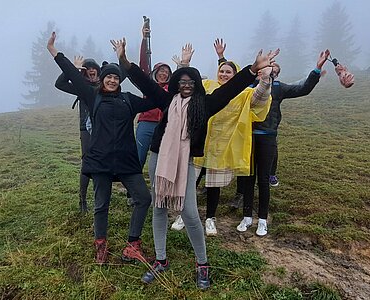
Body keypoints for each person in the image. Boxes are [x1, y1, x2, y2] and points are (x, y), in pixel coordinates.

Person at [112, 37, 277, 289]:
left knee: (189, 212)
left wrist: (253, 70)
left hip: (186, 161)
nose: (186, 85)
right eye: (182, 82)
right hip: (159, 158)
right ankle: (160, 259)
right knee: (159, 207)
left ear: (197, 85)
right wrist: (124, 61)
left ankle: (202, 263)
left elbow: (230, 89)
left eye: (191, 82)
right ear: (177, 85)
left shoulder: (206, 103)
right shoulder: (167, 100)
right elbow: (143, 81)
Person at [47, 32, 167, 265]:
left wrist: (133, 67)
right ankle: (100, 243)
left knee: (143, 198)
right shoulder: (92, 96)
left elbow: (155, 98)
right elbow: (72, 75)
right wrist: (54, 51)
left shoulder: (129, 100)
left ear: (120, 81)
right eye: (108, 77)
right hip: (100, 159)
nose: (112, 80)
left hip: (126, 160)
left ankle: (133, 245)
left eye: (116, 77)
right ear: (102, 79)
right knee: (101, 203)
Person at [172, 39, 274, 236]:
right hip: (198, 143)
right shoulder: (207, 85)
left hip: (223, 147)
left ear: (235, 75)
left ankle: (210, 218)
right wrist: (184, 65)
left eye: (229, 72)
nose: (224, 74)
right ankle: (184, 215)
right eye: (222, 71)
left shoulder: (244, 93)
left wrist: (266, 79)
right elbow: (184, 86)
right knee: (190, 181)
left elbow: (260, 98)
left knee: (213, 185)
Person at [236, 49, 331, 237]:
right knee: (248, 178)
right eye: (266, 68)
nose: (269, 71)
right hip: (248, 136)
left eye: (272, 69)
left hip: (268, 136)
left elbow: (303, 89)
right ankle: (246, 217)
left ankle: (262, 220)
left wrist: (317, 69)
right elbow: (230, 84)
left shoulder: (278, 88)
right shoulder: (248, 86)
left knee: (263, 179)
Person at [55, 56, 100, 213]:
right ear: (83, 73)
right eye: (87, 68)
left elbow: (121, 74)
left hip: (103, 128)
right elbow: (59, 84)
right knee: (87, 162)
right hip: (86, 128)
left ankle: (99, 197)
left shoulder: (106, 84)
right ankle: (82, 199)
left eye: (93, 67)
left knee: (101, 161)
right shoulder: (80, 87)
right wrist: (72, 70)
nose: (91, 70)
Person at [136, 23, 172, 170]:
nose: (163, 73)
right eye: (160, 71)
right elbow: (144, 63)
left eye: (166, 72)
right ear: (155, 73)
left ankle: (159, 189)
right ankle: (132, 189)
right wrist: (144, 39)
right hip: (145, 123)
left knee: (161, 160)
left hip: (164, 125)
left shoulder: (171, 89)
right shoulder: (148, 86)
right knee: (139, 156)